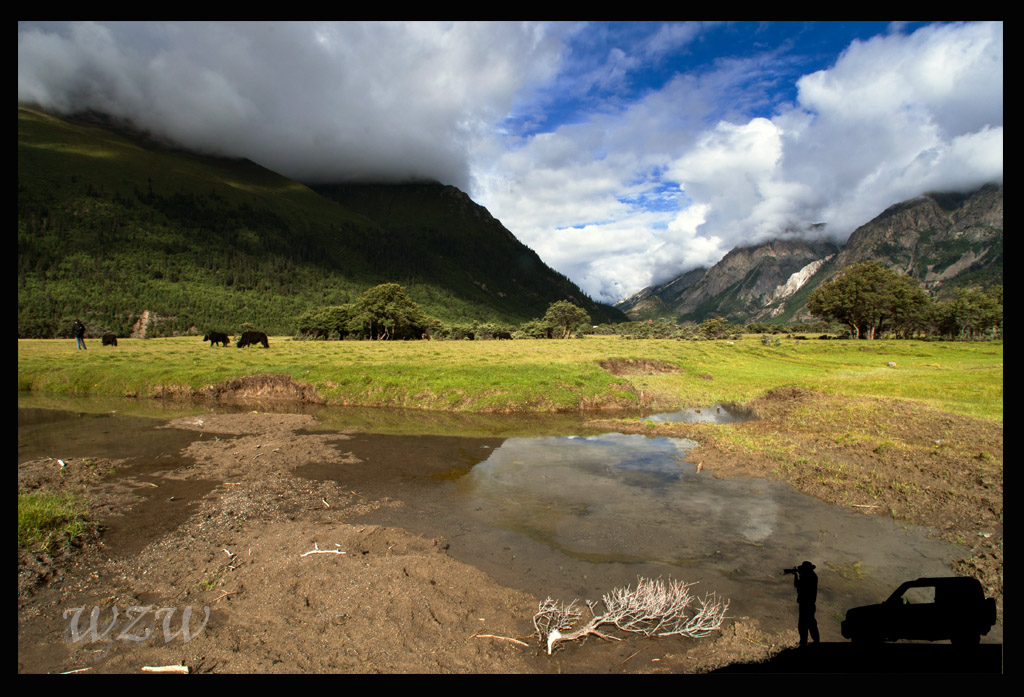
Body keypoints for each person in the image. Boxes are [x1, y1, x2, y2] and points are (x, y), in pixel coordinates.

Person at [793, 560, 820, 646]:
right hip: (808, 604)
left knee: (805, 624)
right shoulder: (812, 576)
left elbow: (797, 584)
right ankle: (810, 641)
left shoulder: (807, 577)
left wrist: (796, 576)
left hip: (806, 604)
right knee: (808, 623)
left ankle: (806, 641)